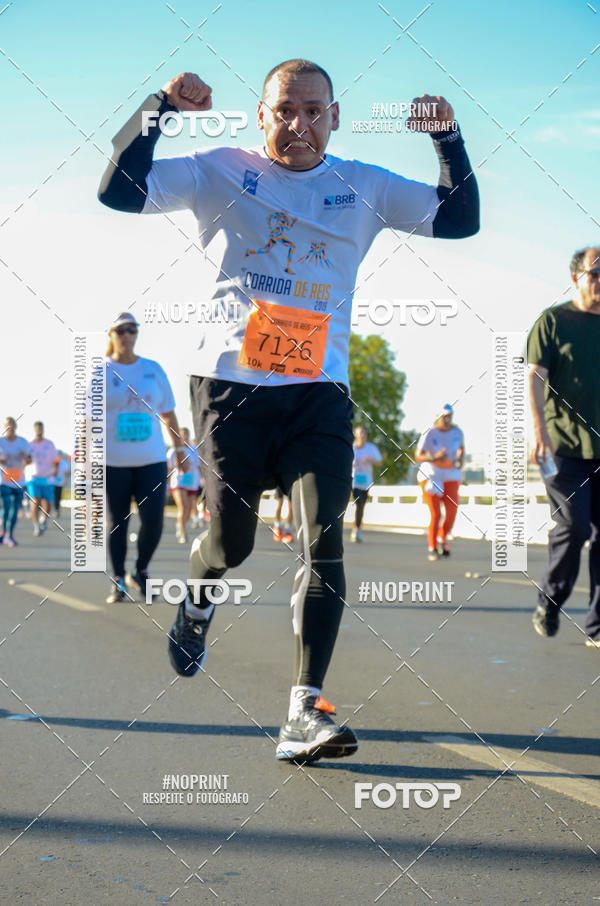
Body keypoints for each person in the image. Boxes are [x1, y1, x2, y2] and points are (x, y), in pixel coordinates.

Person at [98, 59, 479, 762]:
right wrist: (160, 107)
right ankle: (199, 595)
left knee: (321, 539)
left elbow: (459, 220)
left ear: (334, 117)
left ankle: (304, 708)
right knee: (233, 542)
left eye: (313, 111)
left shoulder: (362, 184)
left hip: (317, 395)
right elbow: (118, 192)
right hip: (227, 389)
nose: (298, 124)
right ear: (261, 115)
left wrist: (447, 138)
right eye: (284, 111)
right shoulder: (219, 167)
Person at [528, 246, 600, 647]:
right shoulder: (553, 322)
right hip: (562, 447)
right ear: (576, 278)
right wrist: (539, 431)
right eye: (595, 274)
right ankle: (551, 599)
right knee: (572, 527)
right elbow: (536, 376)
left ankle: (598, 626)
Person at [104, 312, 185, 603]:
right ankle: (118, 580)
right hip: (113, 461)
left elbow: (169, 412)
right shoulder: (100, 372)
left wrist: (179, 450)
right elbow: (87, 421)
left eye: (132, 330)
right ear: (111, 334)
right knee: (118, 522)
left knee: (154, 520)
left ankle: (140, 570)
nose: (127, 335)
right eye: (121, 330)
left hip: (151, 458)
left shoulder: (152, 369)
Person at [415, 405, 464, 561]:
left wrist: (460, 459)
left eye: (449, 416)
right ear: (438, 418)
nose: (447, 419)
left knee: (452, 512)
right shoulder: (429, 433)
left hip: (450, 474)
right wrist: (434, 457)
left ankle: (442, 538)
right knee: (436, 514)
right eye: (444, 416)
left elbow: (461, 449)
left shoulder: (457, 432)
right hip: (431, 475)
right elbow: (418, 455)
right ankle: (433, 547)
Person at [0, 417, 31, 547]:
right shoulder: (1, 442)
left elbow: (29, 461)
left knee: (15, 511)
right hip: (4, 481)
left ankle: (9, 535)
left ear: (15, 427)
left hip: (19, 481)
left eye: (12, 425)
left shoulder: (23, 442)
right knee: (6, 507)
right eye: (7, 425)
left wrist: (25, 457)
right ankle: (3, 533)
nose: (10, 428)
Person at [168, 427, 202, 543]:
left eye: (187, 435)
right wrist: (166, 485)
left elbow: (198, 466)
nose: (185, 437)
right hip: (178, 481)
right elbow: (169, 468)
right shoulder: (174, 451)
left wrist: (202, 478)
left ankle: (180, 524)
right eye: (183, 435)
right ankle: (182, 533)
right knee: (182, 508)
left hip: (191, 481)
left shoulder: (194, 450)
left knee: (188, 510)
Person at [27, 421, 59, 536]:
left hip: (47, 478)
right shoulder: (30, 445)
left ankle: (43, 520)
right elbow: (26, 460)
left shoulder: (49, 444)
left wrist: (55, 469)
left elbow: (55, 460)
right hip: (33, 478)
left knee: (48, 504)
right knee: (35, 501)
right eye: (37, 429)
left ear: (43, 429)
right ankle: (36, 525)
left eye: (41, 429)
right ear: (35, 430)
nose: (39, 431)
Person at [350, 426, 382, 543]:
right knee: (358, 502)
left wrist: (371, 460)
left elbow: (379, 462)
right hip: (353, 480)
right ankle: (354, 529)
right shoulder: (351, 447)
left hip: (366, 481)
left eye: (364, 433)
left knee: (361, 505)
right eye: (360, 433)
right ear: (356, 435)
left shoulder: (371, 448)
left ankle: (357, 528)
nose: (362, 435)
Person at [52, 451, 71, 517]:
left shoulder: (64, 463)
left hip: (60, 482)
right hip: (51, 482)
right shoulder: (52, 461)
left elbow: (67, 473)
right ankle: (53, 508)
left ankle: (56, 509)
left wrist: (65, 480)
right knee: (53, 496)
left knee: (58, 496)